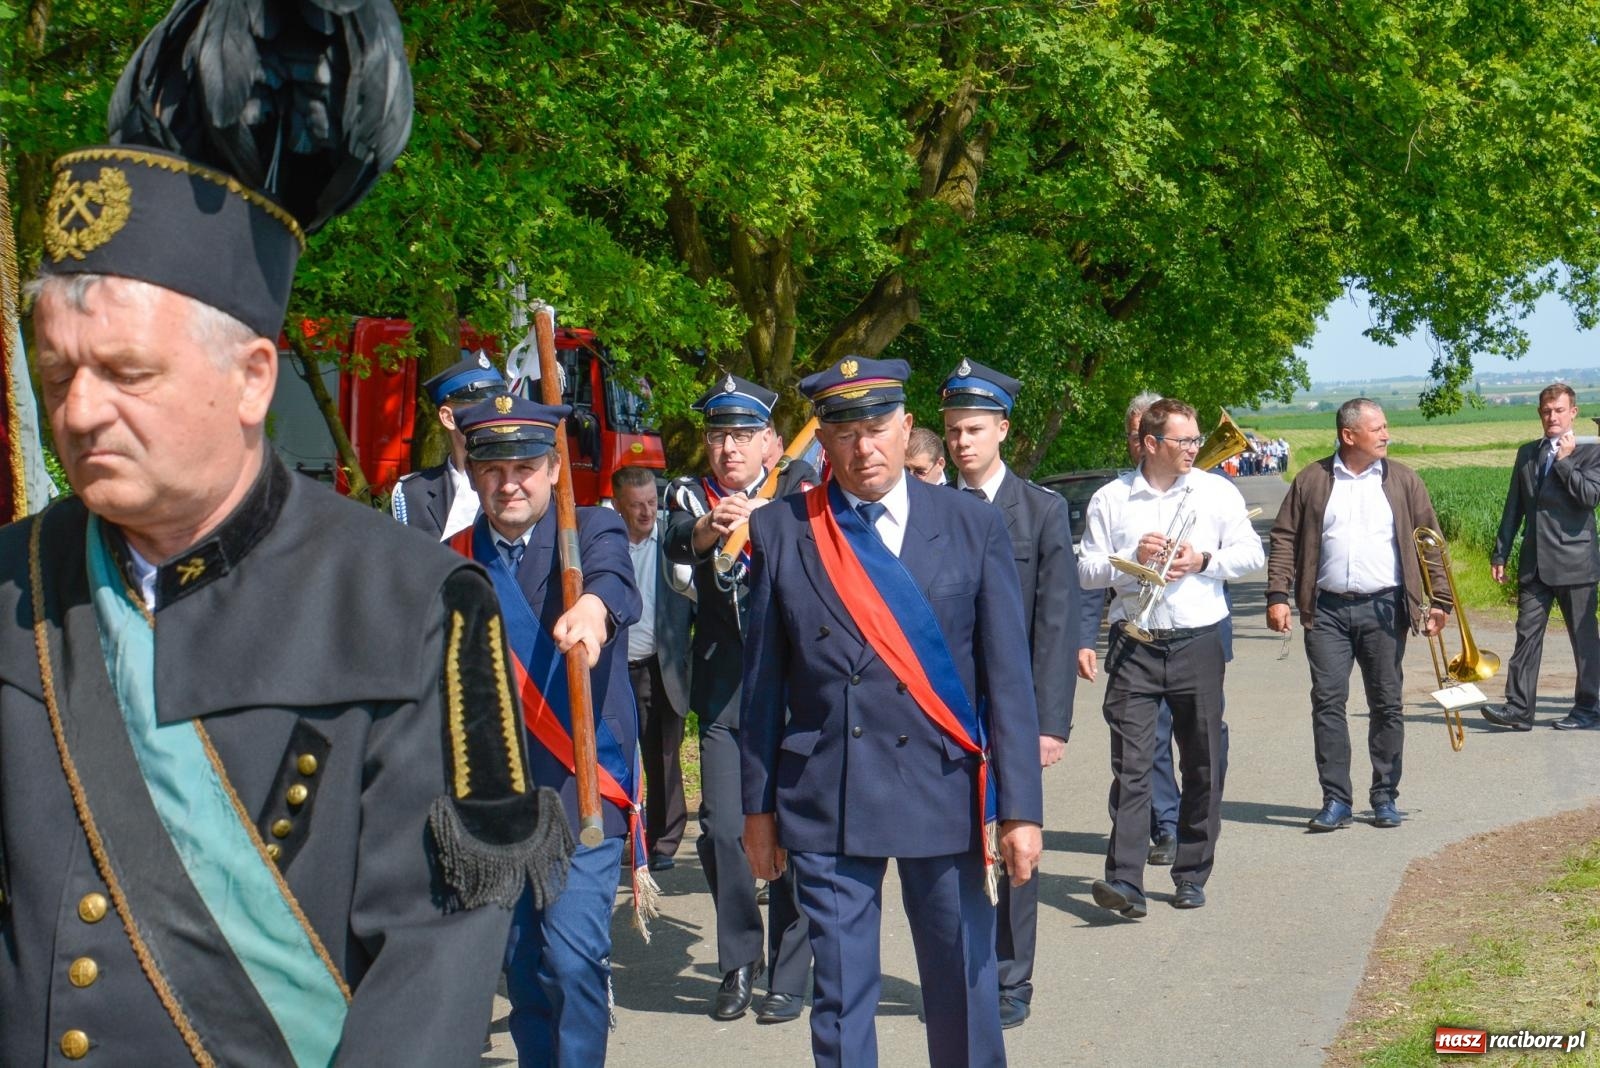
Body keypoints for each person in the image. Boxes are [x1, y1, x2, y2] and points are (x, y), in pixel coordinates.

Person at [0, 17, 562, 1059]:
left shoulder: (413, 607)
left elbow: (428, 980)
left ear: (252, 376)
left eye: (125, 374)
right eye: (57, 372)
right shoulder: (12, 583)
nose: (78, 412)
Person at [741, 355, 1043, 1068]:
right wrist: (757, 811)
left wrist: (1021, 810)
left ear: (908, 429)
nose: (862, 447)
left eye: (877, 427)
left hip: (939, 783)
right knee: (842, 998)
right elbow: (761, 684)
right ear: (823, 441)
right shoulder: (784, 530)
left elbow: (1007, 680)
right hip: (829, 790)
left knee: (960, 984)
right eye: (843, 432)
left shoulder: (970, 523)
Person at [451, 395, 643, 1067]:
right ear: (473, 473)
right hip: (495, 807)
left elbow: (616, 581)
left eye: (527, 466)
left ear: (554, 469)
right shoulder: (450, 559)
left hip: (579, 790)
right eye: (494, 469)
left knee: (572, 958)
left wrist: (592, 607)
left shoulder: (592, 529)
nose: (510, 484)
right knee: (525, 968)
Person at [664, 375, 814, 1024]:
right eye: (719, 435)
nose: (729, 448)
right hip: (725, 691)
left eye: (743, 436)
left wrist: (771, 523)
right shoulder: (691, 495)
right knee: (725, 830)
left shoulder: (798, 494)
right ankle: (737, 962)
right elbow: (673, 541)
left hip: (795, 692)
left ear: (772, 444)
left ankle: (789, 970)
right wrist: (708, 529)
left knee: (796, 834)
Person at [1079, 398, 1261, 915]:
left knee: (1202, 761)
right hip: (1135, 641)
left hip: (1197, 641)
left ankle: (1191, 872)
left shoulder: (1216, 491)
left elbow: (1252, 555)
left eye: (1196, 439)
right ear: (1152, 443)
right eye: (1184, 441)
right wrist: (1131, 560)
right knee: (1132, 765)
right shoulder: (1110, 499)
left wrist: (1202, 560)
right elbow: (1086, 570)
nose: (1194, 449)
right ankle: (1125, 882)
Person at [941, 358, 1079, 1030]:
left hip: (1013, 706)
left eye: (973, 428)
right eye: (952, 431)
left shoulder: (1042, 511)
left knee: (1015, 835)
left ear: (1002, 429)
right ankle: (962, 967)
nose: (962, 442)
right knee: (953, 841)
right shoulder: (928, 509)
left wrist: (1048, 724)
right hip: (946, 705)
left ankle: (1011, 975)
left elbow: (1056, 625)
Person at [1266, 398, 1448, 833]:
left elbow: (1430, 542)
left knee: (1386, 703)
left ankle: (1385, 796)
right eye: (1378, 428)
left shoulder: (1403, 480)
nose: (1387, 434)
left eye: (1386, 427)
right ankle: (1336, 800)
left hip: (1385, 608)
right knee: (1328, 702)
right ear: (1349, 436)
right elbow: (1284, 537)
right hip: (1327, 609)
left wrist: (1439, 601)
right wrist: (1277, 593)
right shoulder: (1312, 479)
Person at [1481, 383, 1600, 732]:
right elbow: (1513, 506)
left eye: (1559, 410)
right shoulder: (1527, 453)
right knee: (1526, 634)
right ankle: (1518, 710)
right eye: (1547, 411)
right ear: (1539, 413)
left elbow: (1590, 498)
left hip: (1576, 563)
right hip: (1535, 563)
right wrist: (1500, 550)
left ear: (1573, 413)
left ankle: (1589, 708)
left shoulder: (1591, 452)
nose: (1552, 417)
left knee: (1584, 640)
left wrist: (1564, 462)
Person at [614, 465, 694, 868]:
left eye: (651, 503)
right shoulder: (606, 545)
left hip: (664, 670)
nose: (646, 513)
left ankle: (663, 843)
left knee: (663, 758)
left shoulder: (674, 541)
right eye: (636, 506)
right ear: (618, 505)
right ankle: (623, 834)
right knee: (618, 754)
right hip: (616, 670)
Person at [391, 352, 508, 539]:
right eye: (482, 409)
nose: (494, 419)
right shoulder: (413, 493)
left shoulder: (518, 484)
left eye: (498, 409)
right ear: (448, 417)